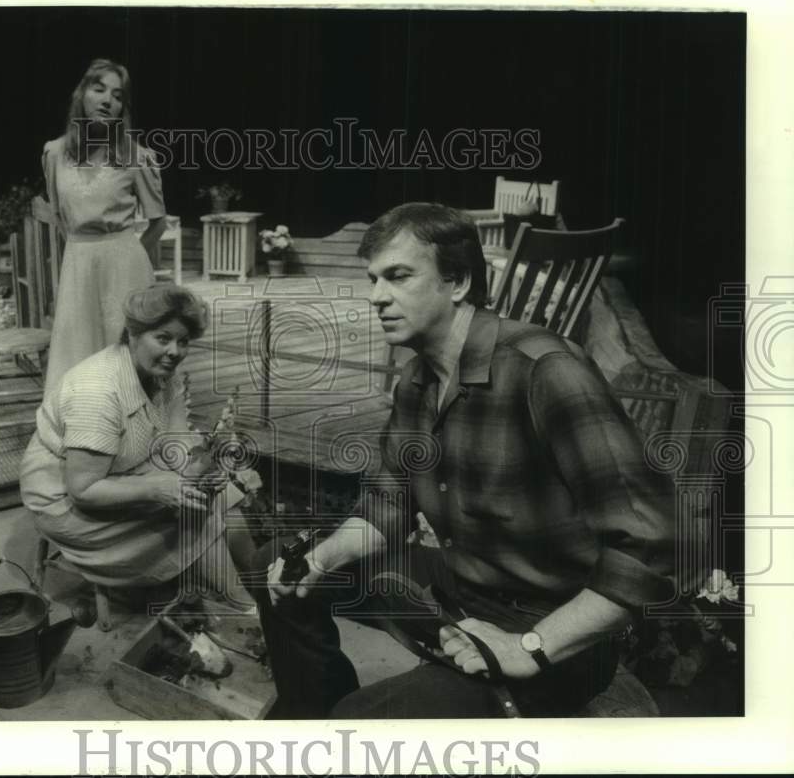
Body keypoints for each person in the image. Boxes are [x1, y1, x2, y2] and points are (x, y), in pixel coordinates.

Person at [254, 202, 677, 718]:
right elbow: (388, 501)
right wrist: (322, 559)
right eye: (373, 279)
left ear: (456, 282)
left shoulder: (546, 370)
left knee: (361, 723)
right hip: (458, 590)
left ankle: (345, 730)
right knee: (274, 566)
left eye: (398, 277)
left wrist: (530, 648)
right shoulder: (416, 380)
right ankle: (314, 714)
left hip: (551, 628)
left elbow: (652, 543)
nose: (376, 296)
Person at [20, 283, 254, 609]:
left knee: (217, 491)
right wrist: (156, 489)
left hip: (123, 467)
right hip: (63, 494)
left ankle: (261, 577)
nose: (175, 351)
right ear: (132, 334)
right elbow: (82, 489)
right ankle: (243, 602)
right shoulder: (98, 391)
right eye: (163, 338)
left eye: (183, 341)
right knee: (190, 512)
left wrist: (202, 469)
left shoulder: (163, 373)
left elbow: (177, 443)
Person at [41, 58, 169, 396]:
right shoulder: (54, 154)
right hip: (78, 266)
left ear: (122, 107)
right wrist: (81, 253)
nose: (107, 100)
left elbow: (159, 221)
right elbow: (58, 216)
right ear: (82, 94)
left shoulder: (135, 156)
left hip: (124, 265)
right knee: (78, 353)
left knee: (125, 354)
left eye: (117, 95)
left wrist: (127, 257)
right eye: (98, 89)